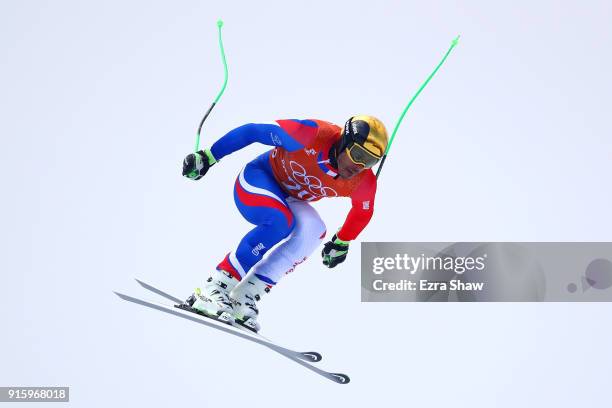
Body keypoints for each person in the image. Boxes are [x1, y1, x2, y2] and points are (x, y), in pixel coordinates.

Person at [181, 115, 388, 332]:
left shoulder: (362, 181)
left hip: (289, 199)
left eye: (370, 161)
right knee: (281, 222)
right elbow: (253, 130)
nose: (360, 166)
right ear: (344, 142)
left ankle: (245, 295)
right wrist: (209, 156)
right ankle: (215, 286)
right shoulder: (311, 135)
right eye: (358, 155)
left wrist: (342, 241)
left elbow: (362, 212)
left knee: (315, 231)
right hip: (257, 179)